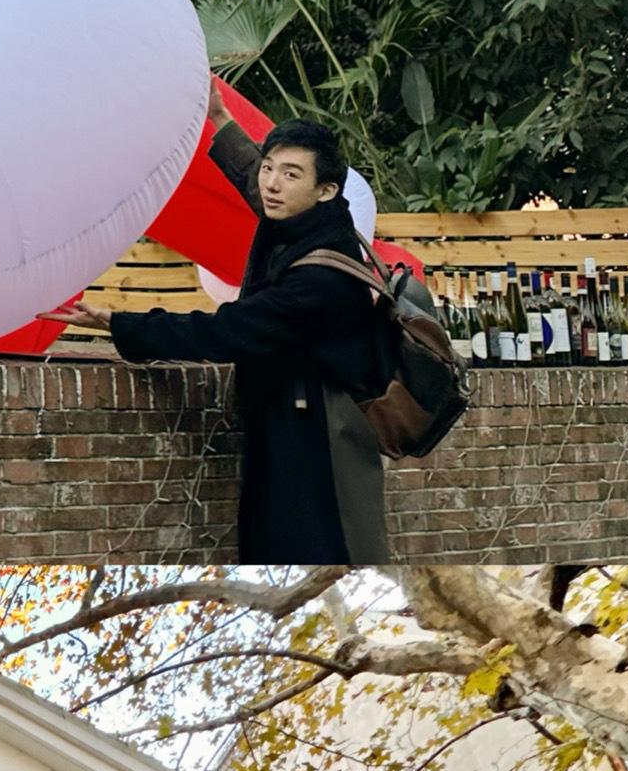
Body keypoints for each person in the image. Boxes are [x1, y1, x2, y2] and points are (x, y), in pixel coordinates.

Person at [59, 101, 390, 564]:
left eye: (291, 174)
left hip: (320, 436)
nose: (271, 183)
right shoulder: (312, 223)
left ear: (326, 190)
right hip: (289, 415)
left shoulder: (320, 279)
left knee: (318, 545)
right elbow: (257, 183)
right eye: (270, 168)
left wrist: (118, 323)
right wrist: (221, 120)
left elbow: (225, 331)